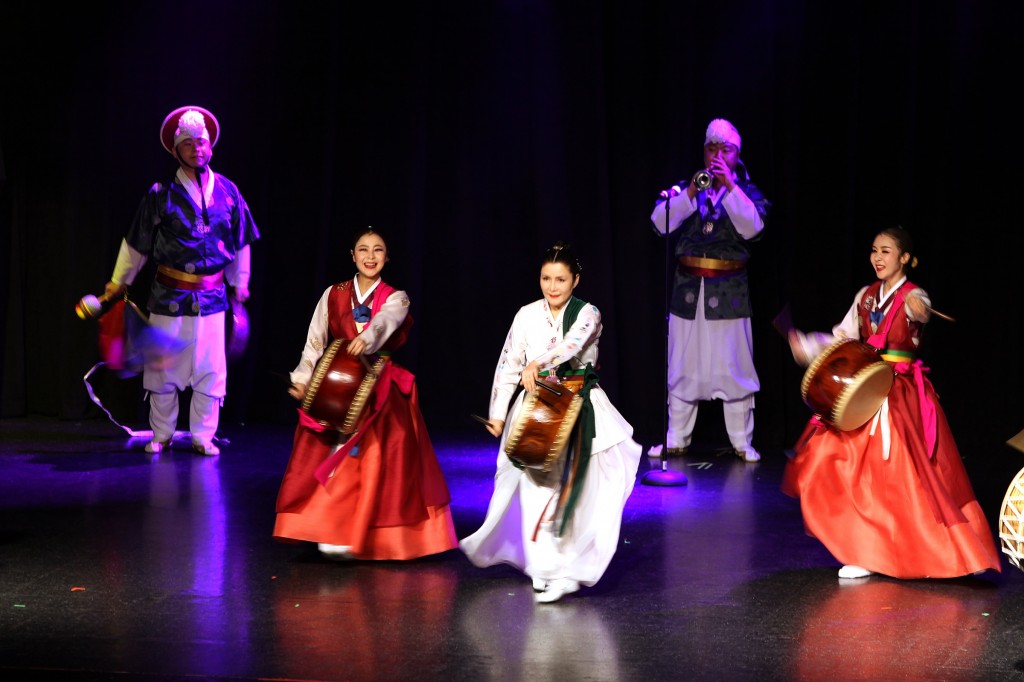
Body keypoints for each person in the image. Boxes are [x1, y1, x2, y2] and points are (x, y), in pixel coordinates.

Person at [783, 226, 1001, 579]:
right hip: (866, 388)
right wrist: (807, 345)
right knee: (841, 462)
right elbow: (842, 340)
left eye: (886, 251)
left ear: (905, 259)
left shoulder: (915, 295)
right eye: (874, 250)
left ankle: (957, 552)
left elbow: (920, 313)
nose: (878, 257)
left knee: (906, 477)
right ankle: (864, 550)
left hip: (901, 394)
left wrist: (920, 309)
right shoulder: (866, 296)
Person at [460, 242, 642, 603]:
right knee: (533, 486)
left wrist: (539, 363)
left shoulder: (587, 313)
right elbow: (509, 363)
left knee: (580, 491)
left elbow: (572, 345)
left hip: (579, 406)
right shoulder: (526, 314)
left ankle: (568, 569)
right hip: (537, 411)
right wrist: (498, 412)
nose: (553, 286)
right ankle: (545, 568)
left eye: (561, 278)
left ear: (575, 279)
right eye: (546, 278)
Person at [273, 227, 458, 561]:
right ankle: (331, 528)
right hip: (337, 384)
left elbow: (386, 322)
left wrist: (368, 339)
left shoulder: (395, 296)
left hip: (378, 384)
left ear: (387, 257)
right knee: (331, 453)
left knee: (375, 460)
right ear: (352, 256)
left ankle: (370, 535)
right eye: (363, 250)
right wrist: (302, 378)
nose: (370, 257)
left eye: (378, 250)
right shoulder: (334, 293)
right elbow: (315, 339)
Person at [103, 105, 260, 456]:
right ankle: (162, 433)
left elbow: (240, 241)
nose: (196, 148)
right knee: (163, 369)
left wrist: (241, 281)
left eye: (201, 142)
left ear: (211, 146)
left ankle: (204, 434)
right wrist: (118, 280)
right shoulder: (161, 193)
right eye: (188, 143)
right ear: (176, 149)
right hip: (168, 297)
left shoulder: (228, 192)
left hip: (213, 299)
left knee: (209, 368)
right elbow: (137, 242)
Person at [649, 118, 770, 463]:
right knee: (683, 364)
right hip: (687, 293)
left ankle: (742, 441)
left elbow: (753, 228)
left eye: (725, 149)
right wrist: (690, 193)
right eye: (712, 148)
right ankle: (676, 437)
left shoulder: (748, 191)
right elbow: (660, 223)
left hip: (729, 293)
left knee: (733, 367)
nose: (717, 155)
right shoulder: (688, 186)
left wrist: (730, 187)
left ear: (736, 155)